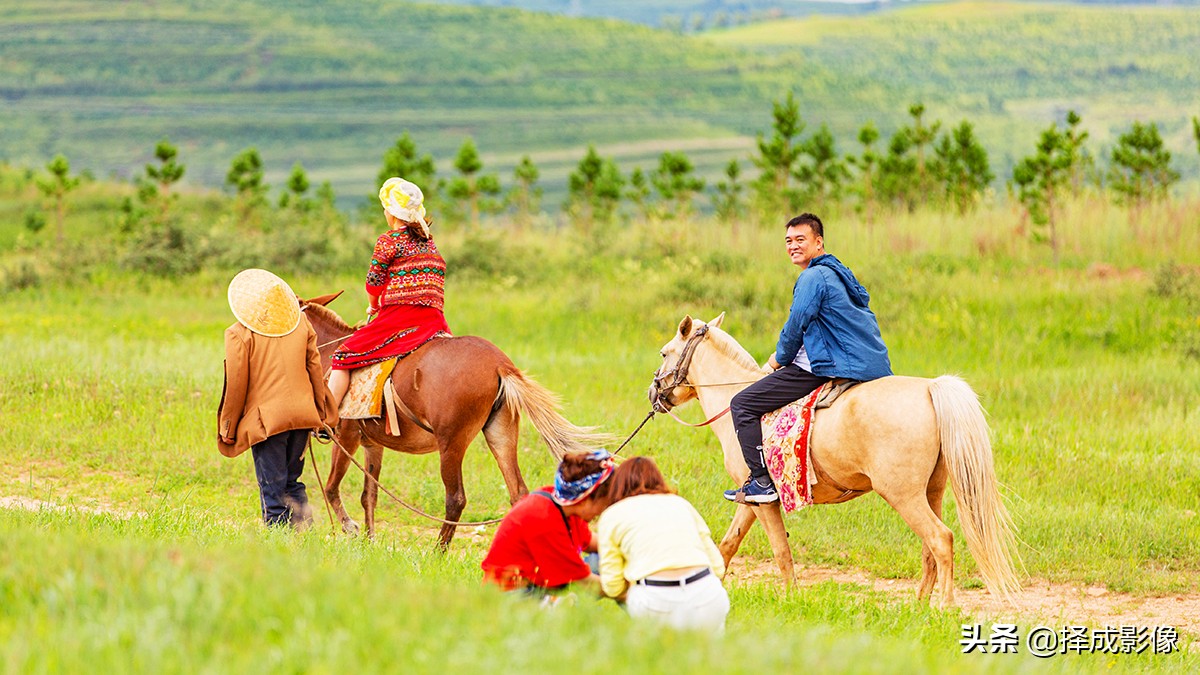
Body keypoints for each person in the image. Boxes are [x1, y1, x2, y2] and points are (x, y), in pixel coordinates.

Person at [725, 213, 892, 504]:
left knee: (742, 404)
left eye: (800, 239)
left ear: (819, 241)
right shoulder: (837, 271)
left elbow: (797, 323)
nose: (793, 246)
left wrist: (778, 360)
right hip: (867, 362)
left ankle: (762, 482)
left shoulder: (812, 277)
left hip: (829, 366)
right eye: (788, 241)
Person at [217, 268, 339, 528]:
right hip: (303, 417)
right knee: (292, 483)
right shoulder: (301, 324)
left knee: (272, 491)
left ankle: (278, 554)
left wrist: (228, 426)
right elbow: (315, 371)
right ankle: (305, 544)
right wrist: (321, 411)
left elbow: (236, 386)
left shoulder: (238, 333)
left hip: (267, 422)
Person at [327, 177, 451, 410]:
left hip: (400, 318)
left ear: (392, 214)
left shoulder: (388, 240)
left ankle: (328, 418)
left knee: (341, 356)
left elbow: (373, 282)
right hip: (435, 321)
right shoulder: (429, 243)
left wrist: (373, 307)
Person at [596, 457, 729, 632]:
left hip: (655, 600)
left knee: (658, 656)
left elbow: (612, 586)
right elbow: (718, 567)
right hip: (707, 596)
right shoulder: (681, 504)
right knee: (712, 655)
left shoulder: (612, 515)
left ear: (618, 485)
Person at [481, 450, 616, 598]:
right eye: (604, 503)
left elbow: (591, 542)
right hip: (513, 594)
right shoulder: (543, 517)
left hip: (537, 584)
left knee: (606, 558)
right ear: (586, 499)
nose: (604, 509)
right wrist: (632, 593)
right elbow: (585, 582)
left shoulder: (566, 505)